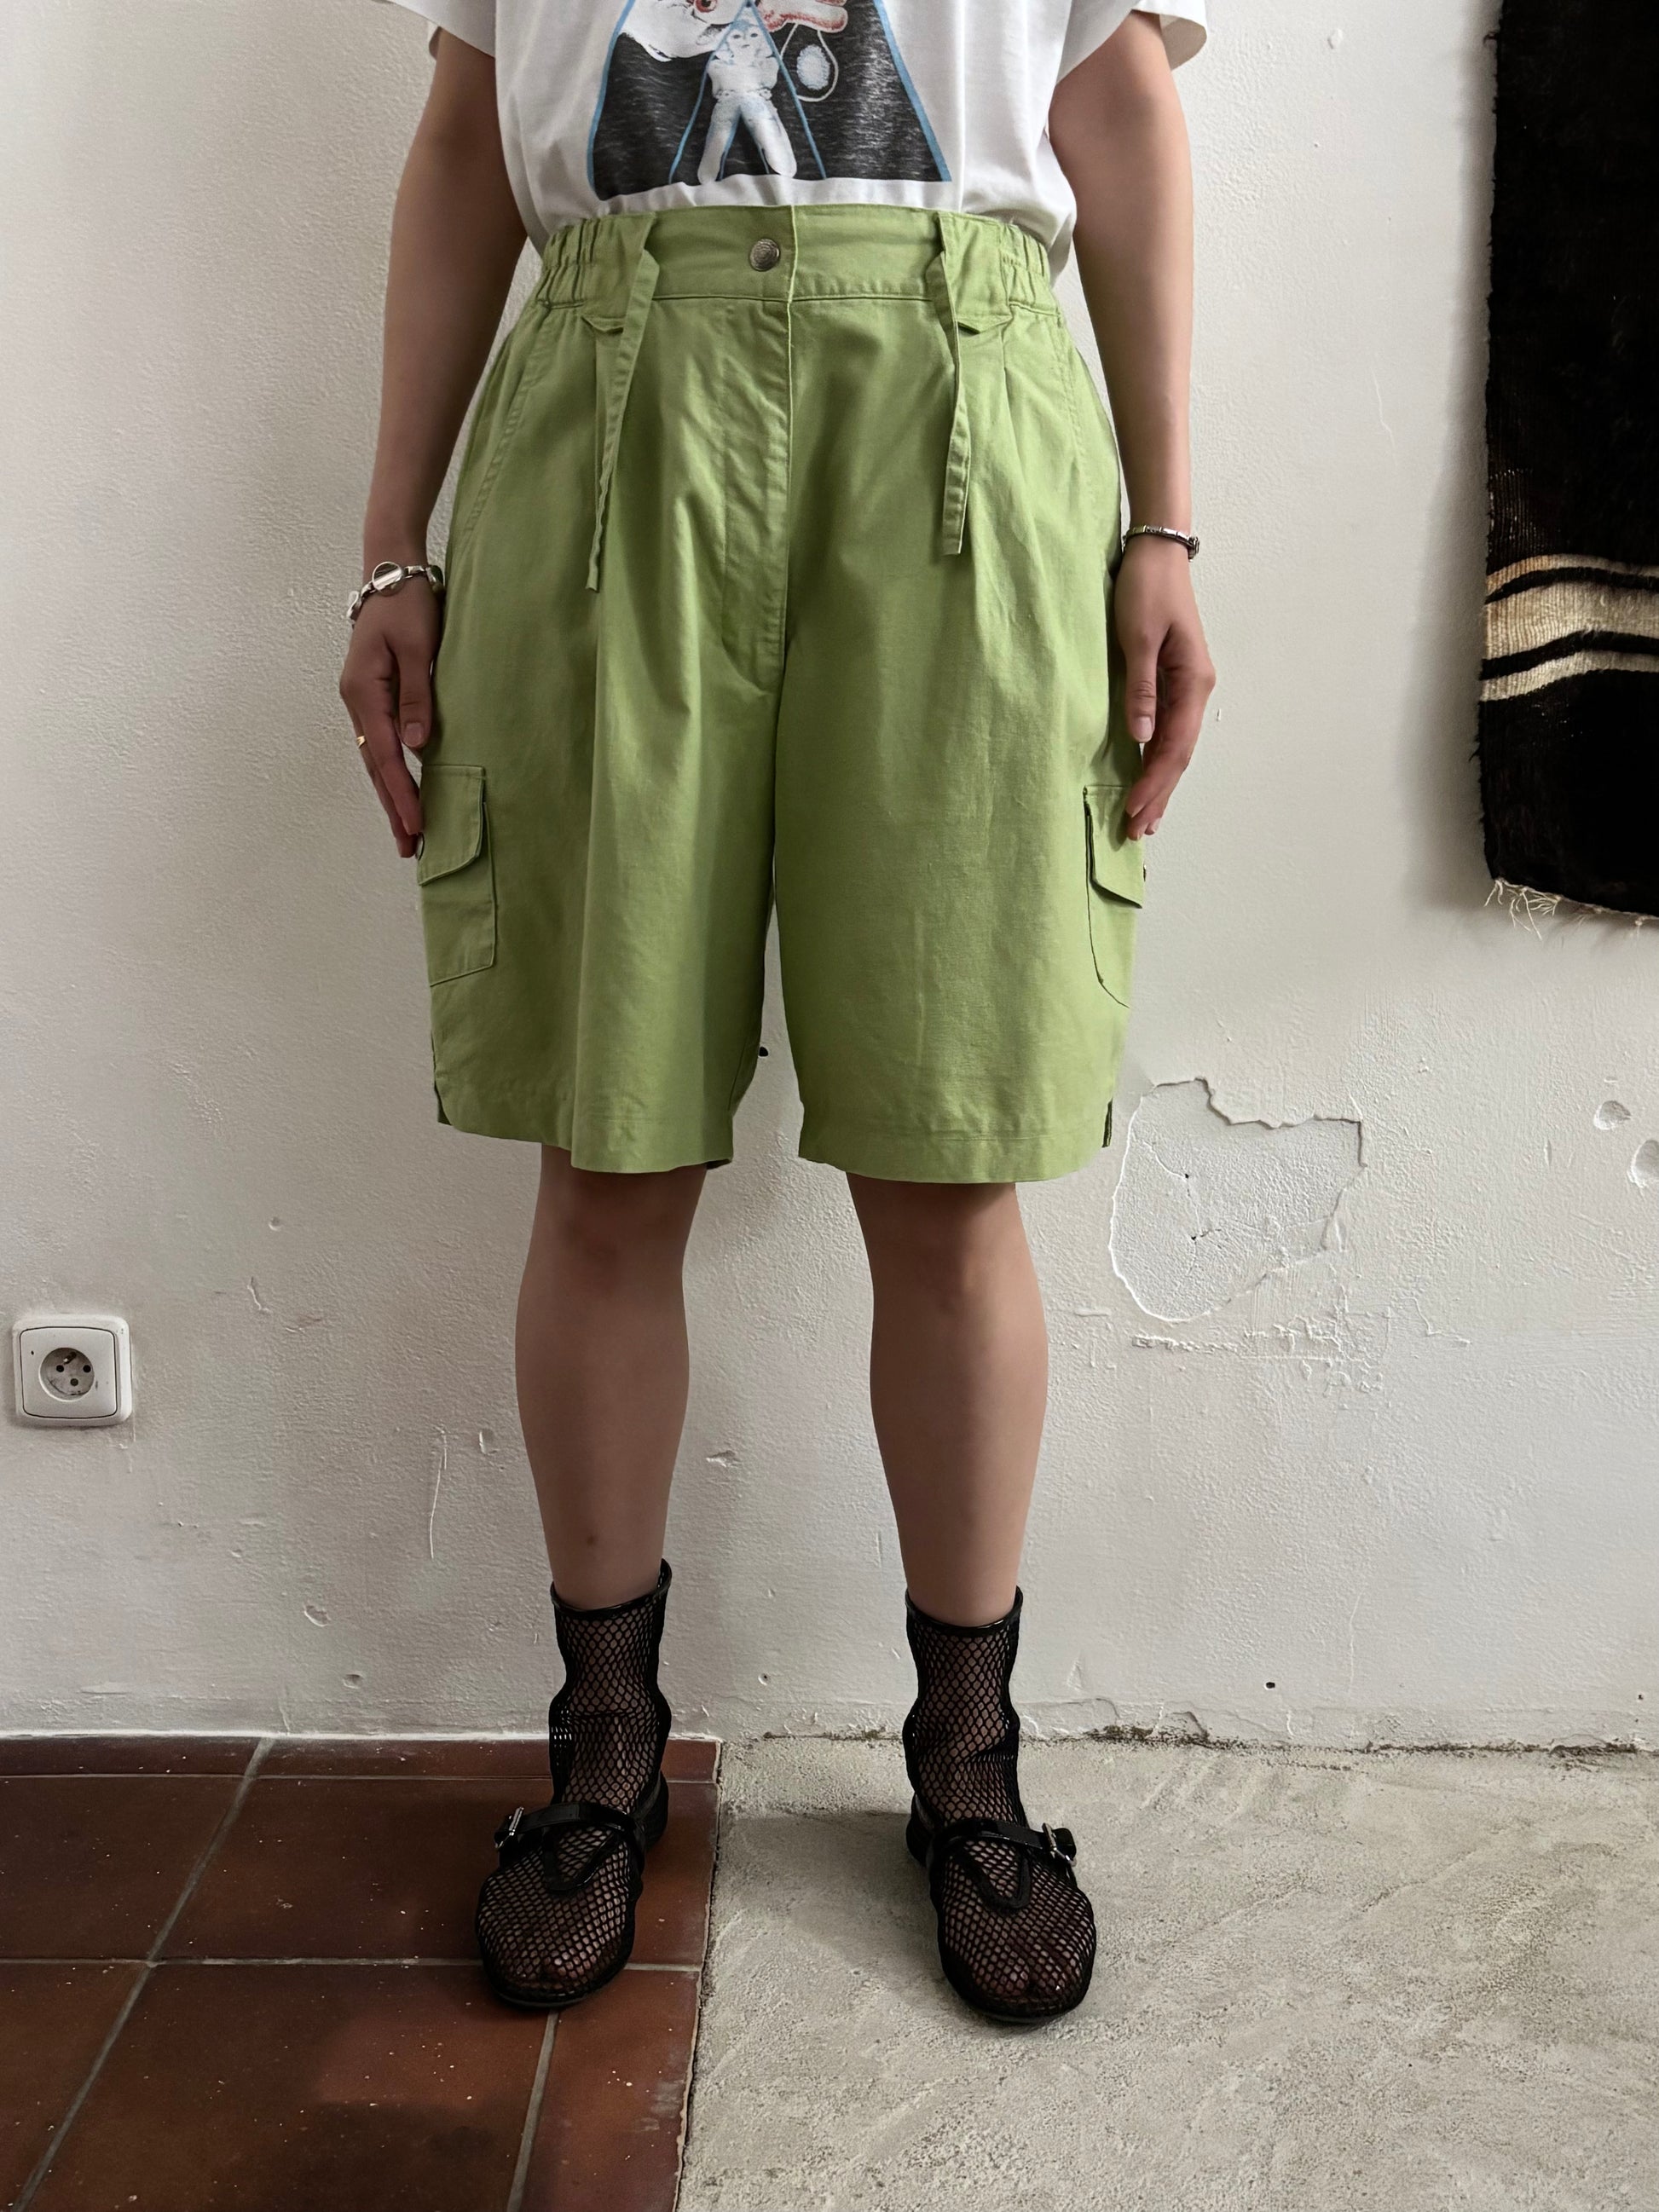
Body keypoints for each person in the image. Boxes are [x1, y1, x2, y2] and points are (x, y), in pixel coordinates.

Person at [341, 0, 1213, 2025]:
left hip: (961, 397)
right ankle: (604, 1750)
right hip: (608, 398)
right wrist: (390, 543)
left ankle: (969, 1766)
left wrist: (1164, 520)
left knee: (951, 1162)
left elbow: (1114, 106)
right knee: (607, 1147)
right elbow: (468, 135)